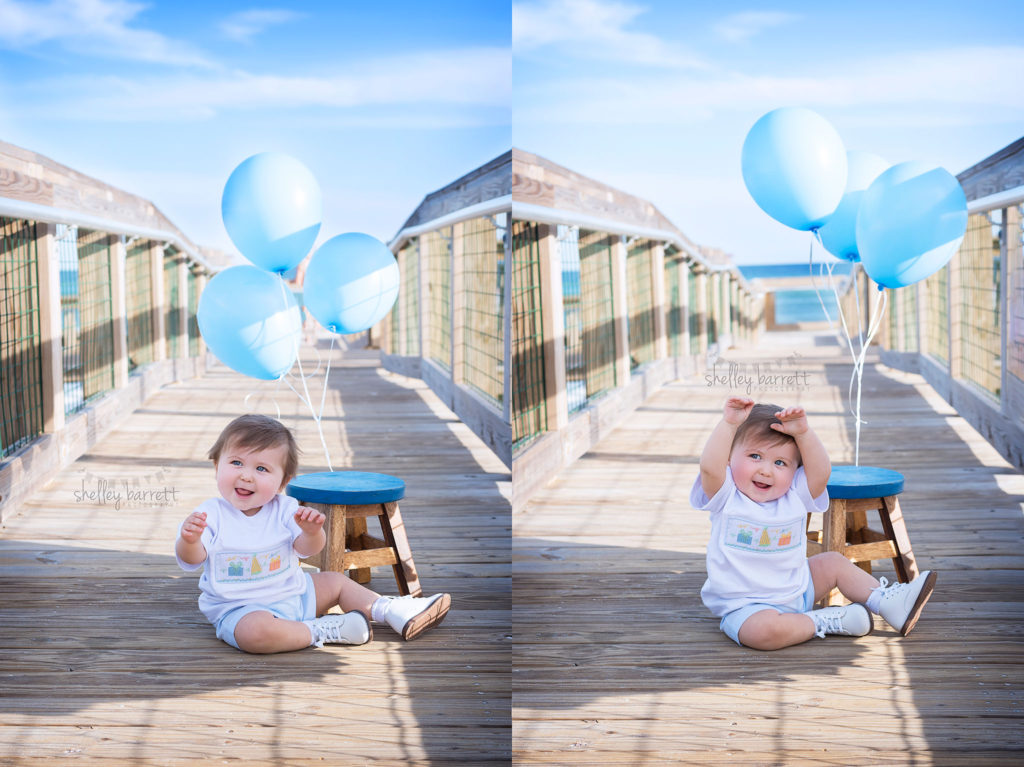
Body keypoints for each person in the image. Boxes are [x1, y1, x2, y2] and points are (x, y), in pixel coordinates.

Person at [176, 414, 451, 653]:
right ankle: (322, 630)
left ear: (282, 482)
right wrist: (190, 541)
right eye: (236, 462)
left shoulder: (285, 509)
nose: (246, 475)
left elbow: (308, 550)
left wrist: (311, 532)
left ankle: (391, 611)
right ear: (217, 466)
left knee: (335, 581)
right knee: (255, 634)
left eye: (261, 468)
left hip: (295, 594)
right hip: (241, 610)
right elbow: (192, 560)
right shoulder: (210, 514)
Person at [692, 397, 936, 650]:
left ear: (796, 470)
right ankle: (826, 620)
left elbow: (821, 472)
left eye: (780, 463)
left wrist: (804, 433)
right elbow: (710, 468)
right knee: (762, 633)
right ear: (729, 459)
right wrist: (729, 424)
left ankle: (887, 602)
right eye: (755, 456)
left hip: (800, 588)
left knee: (832, 562)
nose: (766, 470)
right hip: (747, 608)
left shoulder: (794, 495)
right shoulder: (726, 496)